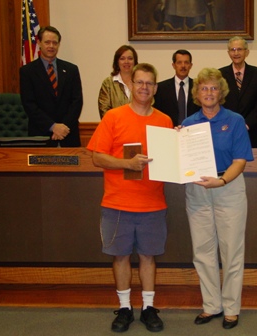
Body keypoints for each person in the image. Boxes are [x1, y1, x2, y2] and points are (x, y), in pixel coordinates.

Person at [87, 63, 173, 333]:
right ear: (131, 85)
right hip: (117, 203)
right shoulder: (113, 117)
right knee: (121, 256)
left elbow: (171, 161)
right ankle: (124, 308)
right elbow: (97, 158)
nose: (144, 87)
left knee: (148, 256)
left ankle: (148, 308)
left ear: (155, 88)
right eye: (139, 82)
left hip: (152, 203)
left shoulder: (165, 121)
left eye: (149, 83)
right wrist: (127, 164)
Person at [181, 68, 253, 330]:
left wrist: (221, 181)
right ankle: (211, 305)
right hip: (197, 189)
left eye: (213, 88)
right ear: (197, 94)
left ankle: (232, 308)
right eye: (204, 88)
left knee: (232, 250)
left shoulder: (234, 120)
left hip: (228, 186)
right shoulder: (187, 124)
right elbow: (181, 162)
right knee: (202, 250)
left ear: (221, 92)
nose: (209, 93)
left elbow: (241, 160)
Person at [20, 26, 83, 147]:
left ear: (59, 44)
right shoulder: (27, 71)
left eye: (55, 43)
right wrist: (53, 127)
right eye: (47, 42)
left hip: (68, 135)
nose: (51, 46)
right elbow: (29, 104)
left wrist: (64, 127)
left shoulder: (71, 69)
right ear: (39, 43)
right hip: (41, 135)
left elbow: (77, 102)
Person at [219, 36, 257, 148]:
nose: (236, 53)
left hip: (250, 132)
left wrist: (245, 124)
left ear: (247, 52)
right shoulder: (219, 74)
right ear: (228, 53)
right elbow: (218, 103)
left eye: (239, 49)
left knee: (252, 165)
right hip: (226, 130)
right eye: (233, 50)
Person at [153, 49, 197, 126]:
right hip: (168, 131)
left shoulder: (198, 87)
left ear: (191, 65)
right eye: (179, 62)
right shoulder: (161, 88)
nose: (183, 66)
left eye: (186, 62)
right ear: (173, 65)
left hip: (192, 132)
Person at [98, 45, 138, 119]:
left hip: (138, 127)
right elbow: (104, 111)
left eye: (130, 58)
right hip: (115, 128)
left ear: (135, 61)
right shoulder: (108, 83)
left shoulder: (141, 83)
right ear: (117, 62)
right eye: (122, 59)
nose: (126, 62)